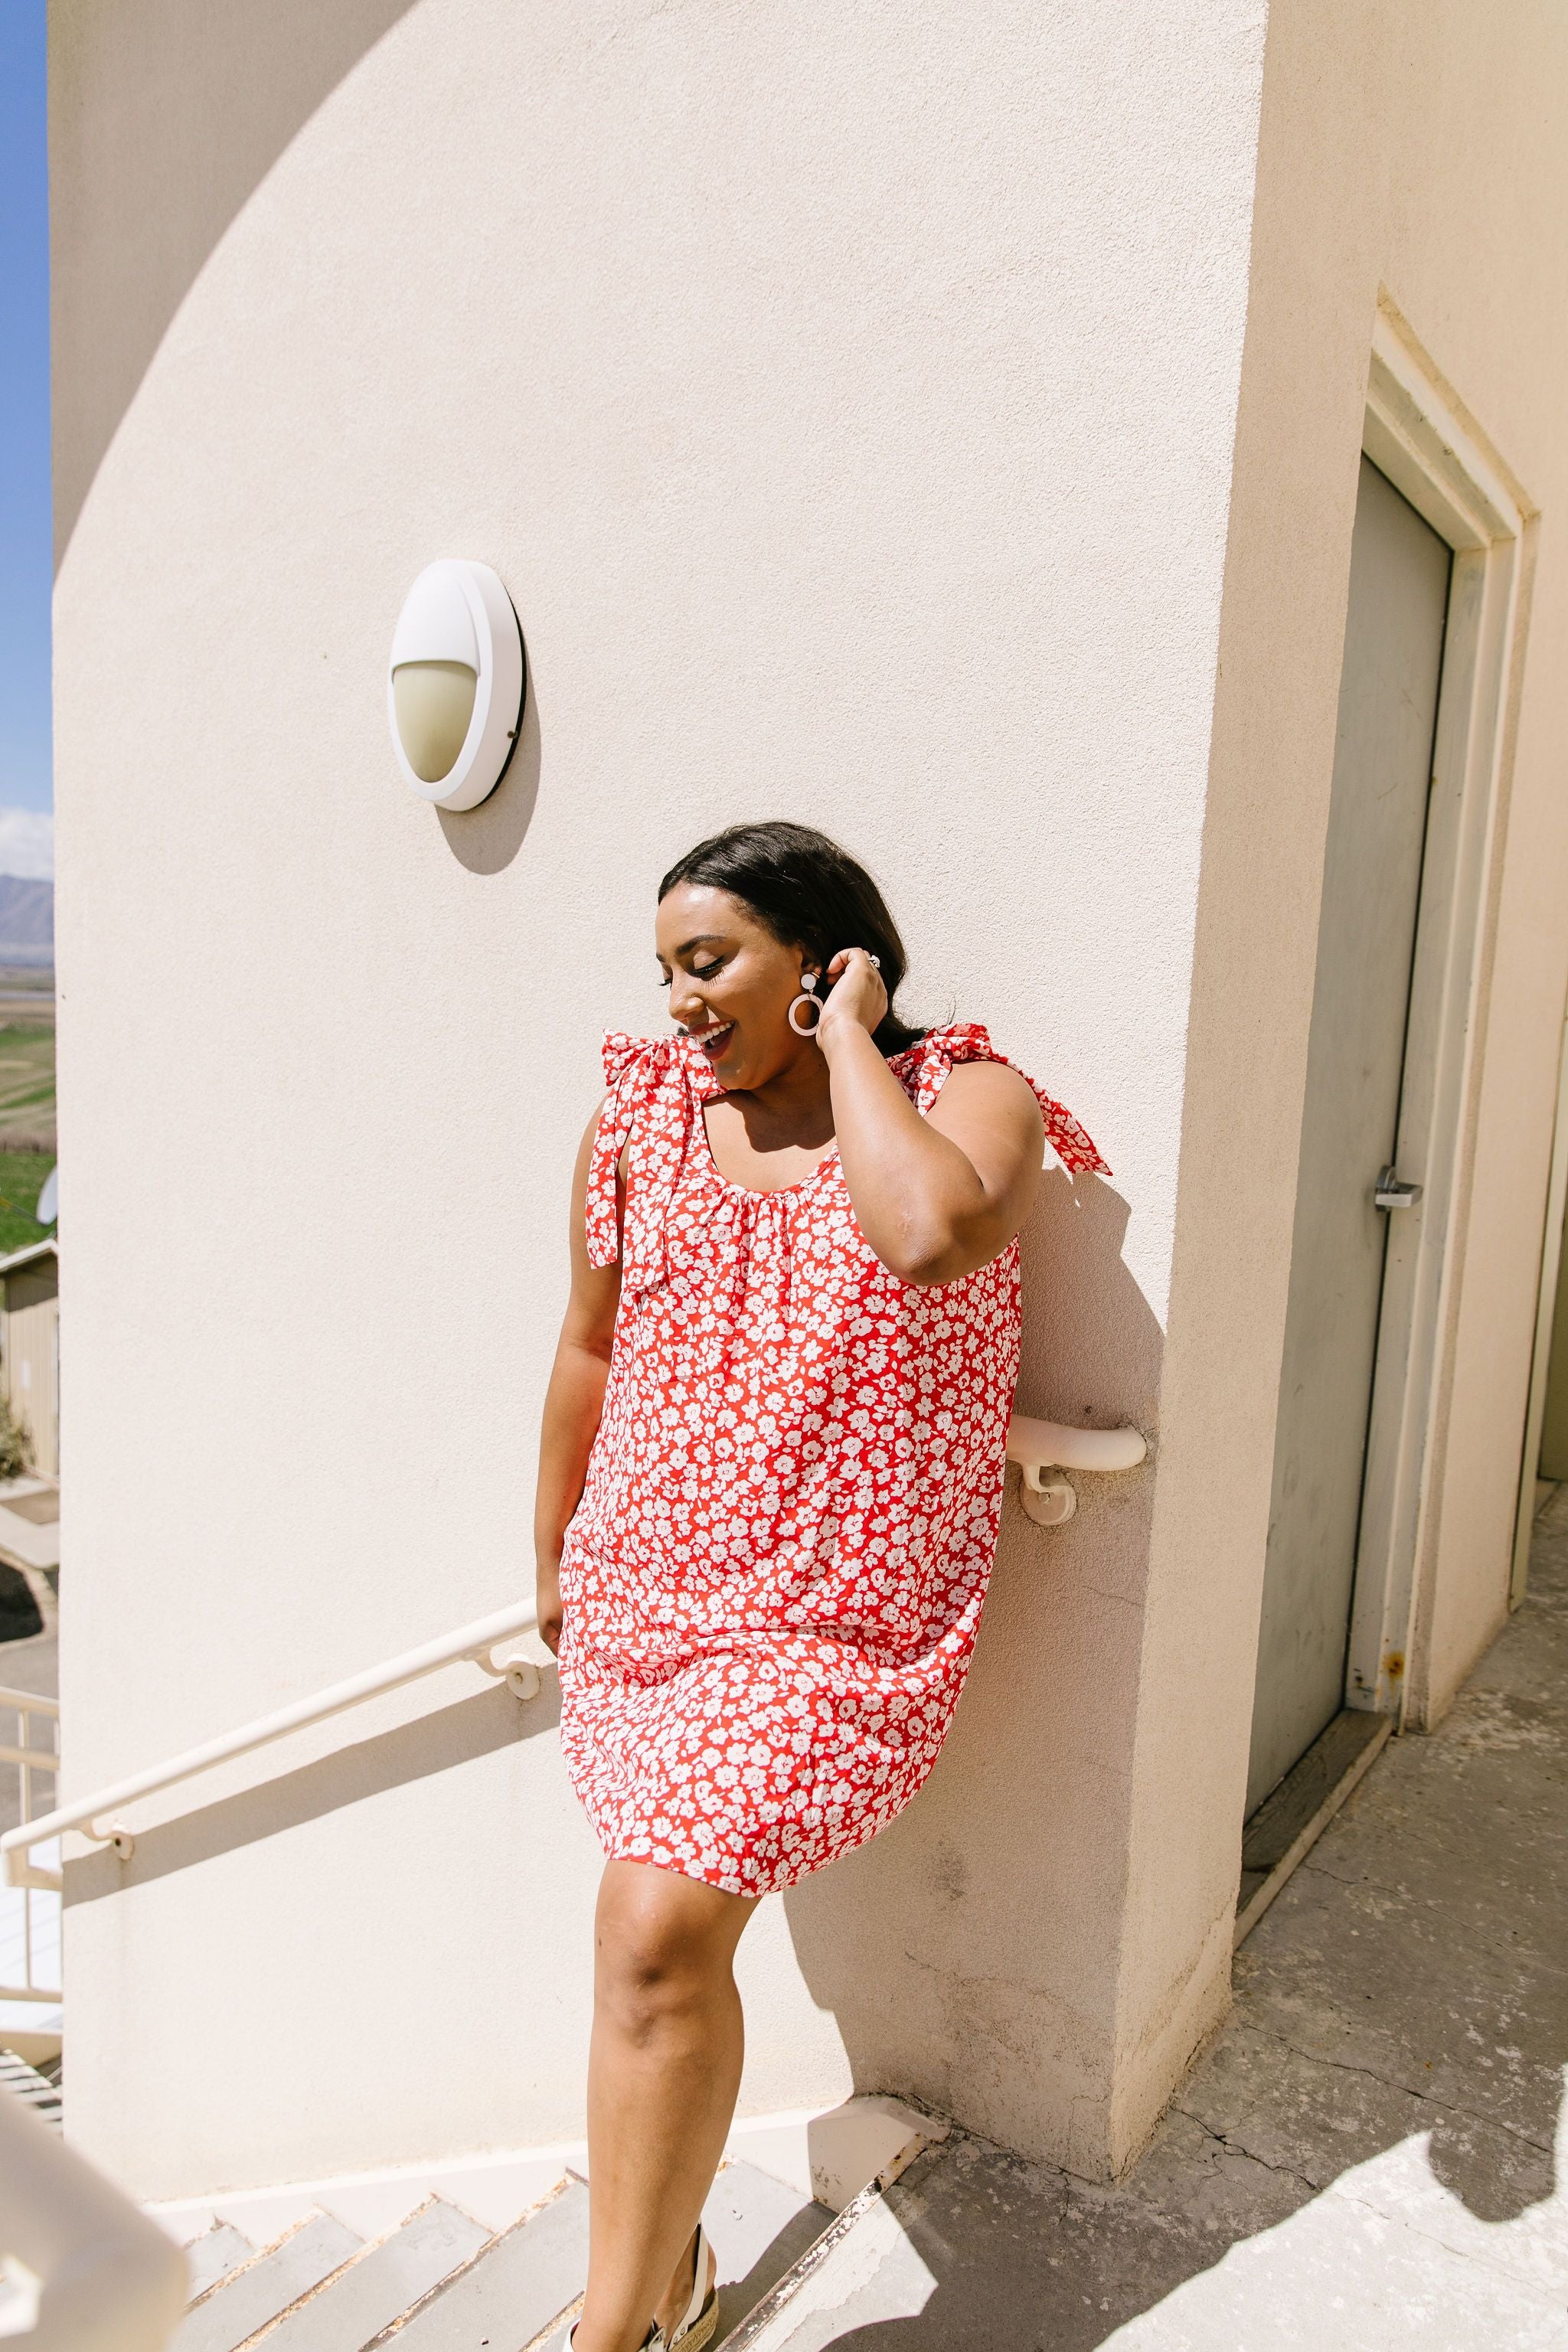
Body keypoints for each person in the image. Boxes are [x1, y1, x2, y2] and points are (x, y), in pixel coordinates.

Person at [535, 822, 1107, 2351]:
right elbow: (591, 1349)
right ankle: (661, 2286)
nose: (678, 1000)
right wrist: (551, 1554)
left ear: (824, 952)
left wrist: (855, 1040)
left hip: (835, 1617)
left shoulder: (964, 1096)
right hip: (650, 1587)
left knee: (653, 1933)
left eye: (708, 960)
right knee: (652, 1947)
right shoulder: (636, 1124)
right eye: (663, 968)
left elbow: (930, 1236)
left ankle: (611, 2336)